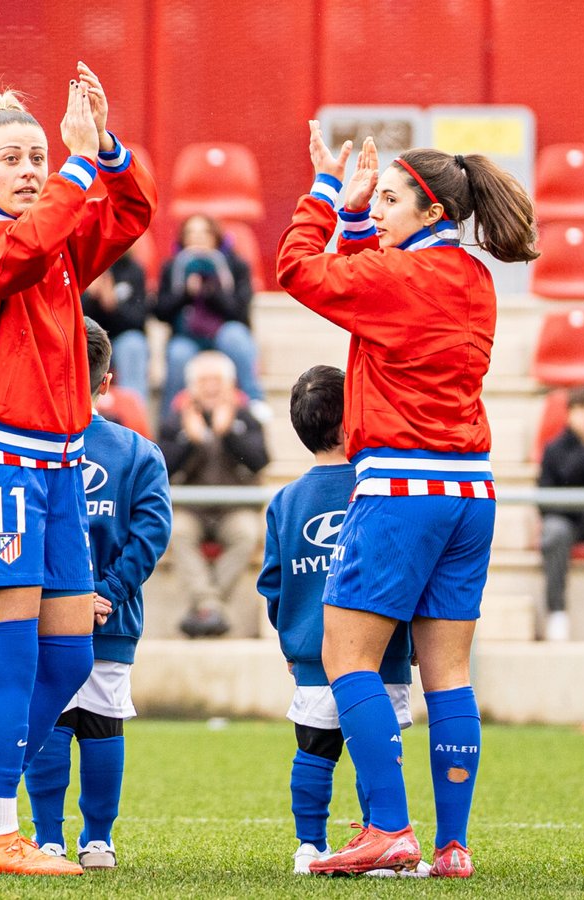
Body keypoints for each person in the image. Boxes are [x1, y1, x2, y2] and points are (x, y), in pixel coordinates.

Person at [277, 122, 539, 877]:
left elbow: (299, 270)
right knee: (448, 672)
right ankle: (452, 847)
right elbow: (370, 287)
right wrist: (361, 221)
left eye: (390, 199)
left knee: (344, 657)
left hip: (400, 488)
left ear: (429, 213)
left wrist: (328, 196)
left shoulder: (398, 279)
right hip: (471, 490)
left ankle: (389, 829)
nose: (378, 208)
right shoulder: (475, 279)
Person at [0, 63, 155, 877]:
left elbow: (132, 210)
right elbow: (24, 248)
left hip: (57, 469)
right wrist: (72, 166)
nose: (31, 170)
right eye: (14, 159)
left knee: (68, 659)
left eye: (37, 157)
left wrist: (106, 146)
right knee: (15, 658)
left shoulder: (55, 235)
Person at [257, 365, 421, 876]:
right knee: (377, 749)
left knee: (314, 749)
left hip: (311, 654)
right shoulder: (382, 490)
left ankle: (309, 844)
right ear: (355, 420)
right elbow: (406, 573)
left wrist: (292, 643)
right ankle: (380, 837)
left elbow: (273, 582)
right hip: (382, 654)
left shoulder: (285, 501)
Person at [22, 318, 171, 869]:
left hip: (41, 612)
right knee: (103, 718)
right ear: (106, 380)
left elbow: (19, 532)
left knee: (54, 716)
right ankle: (99, 840)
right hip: (114, 616)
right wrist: (107, 592)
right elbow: (151, 534)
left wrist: (63, 596)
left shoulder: (27, 450)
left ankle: (47, 837)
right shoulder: (138, 452)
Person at [160, 350, 270, 638]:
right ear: (191, 386)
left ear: (231, 384)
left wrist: (230, 433)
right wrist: (190, 441)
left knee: (246, 533)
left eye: (217, 380)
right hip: (191, 508)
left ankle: (205, 609)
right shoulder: (175, 420)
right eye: (204, 380)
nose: (211, 386)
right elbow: (163, 468)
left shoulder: (246, 417)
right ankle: (212, 607)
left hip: (235, 507)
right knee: (178, 532)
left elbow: (261, 460)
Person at [155, 214, 265, 418]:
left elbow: (240, 311)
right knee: (178, 354)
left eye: (204, 232)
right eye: (191, 233)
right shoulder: (172, 267)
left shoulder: (235, 265)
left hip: (223, 332)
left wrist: (213, 292)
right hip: (187, 336)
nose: (197, 238)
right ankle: (169, 418)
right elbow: (161, 312)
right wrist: (185, 294)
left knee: (236, 336)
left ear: (215, 236)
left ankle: (254, 402)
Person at [537, 386, 584, 642]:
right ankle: (557, 612)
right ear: (569, 414)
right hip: (567, 521)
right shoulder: (554, 449)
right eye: (582, 409)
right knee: (554, 532)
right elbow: (544, 500)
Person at [82, 251, 152, 403]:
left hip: (120, 337)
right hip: (86, 338)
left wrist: (112, 306)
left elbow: (138, 321)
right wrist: (90, 298)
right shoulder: (78, 265)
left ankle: (134, 414)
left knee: (134, 344)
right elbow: (67, 317)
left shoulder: (132, 270)